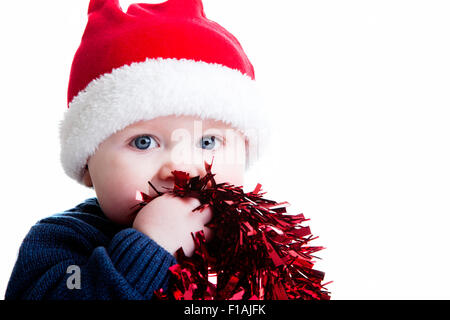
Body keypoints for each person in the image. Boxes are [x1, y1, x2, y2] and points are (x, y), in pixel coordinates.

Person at [5, 0, 270, 300]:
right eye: (143, 142)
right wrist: (150, 247)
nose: (182, 169)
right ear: (87, 166)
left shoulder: (256, 241)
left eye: (207, 142)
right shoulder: (61, 243)